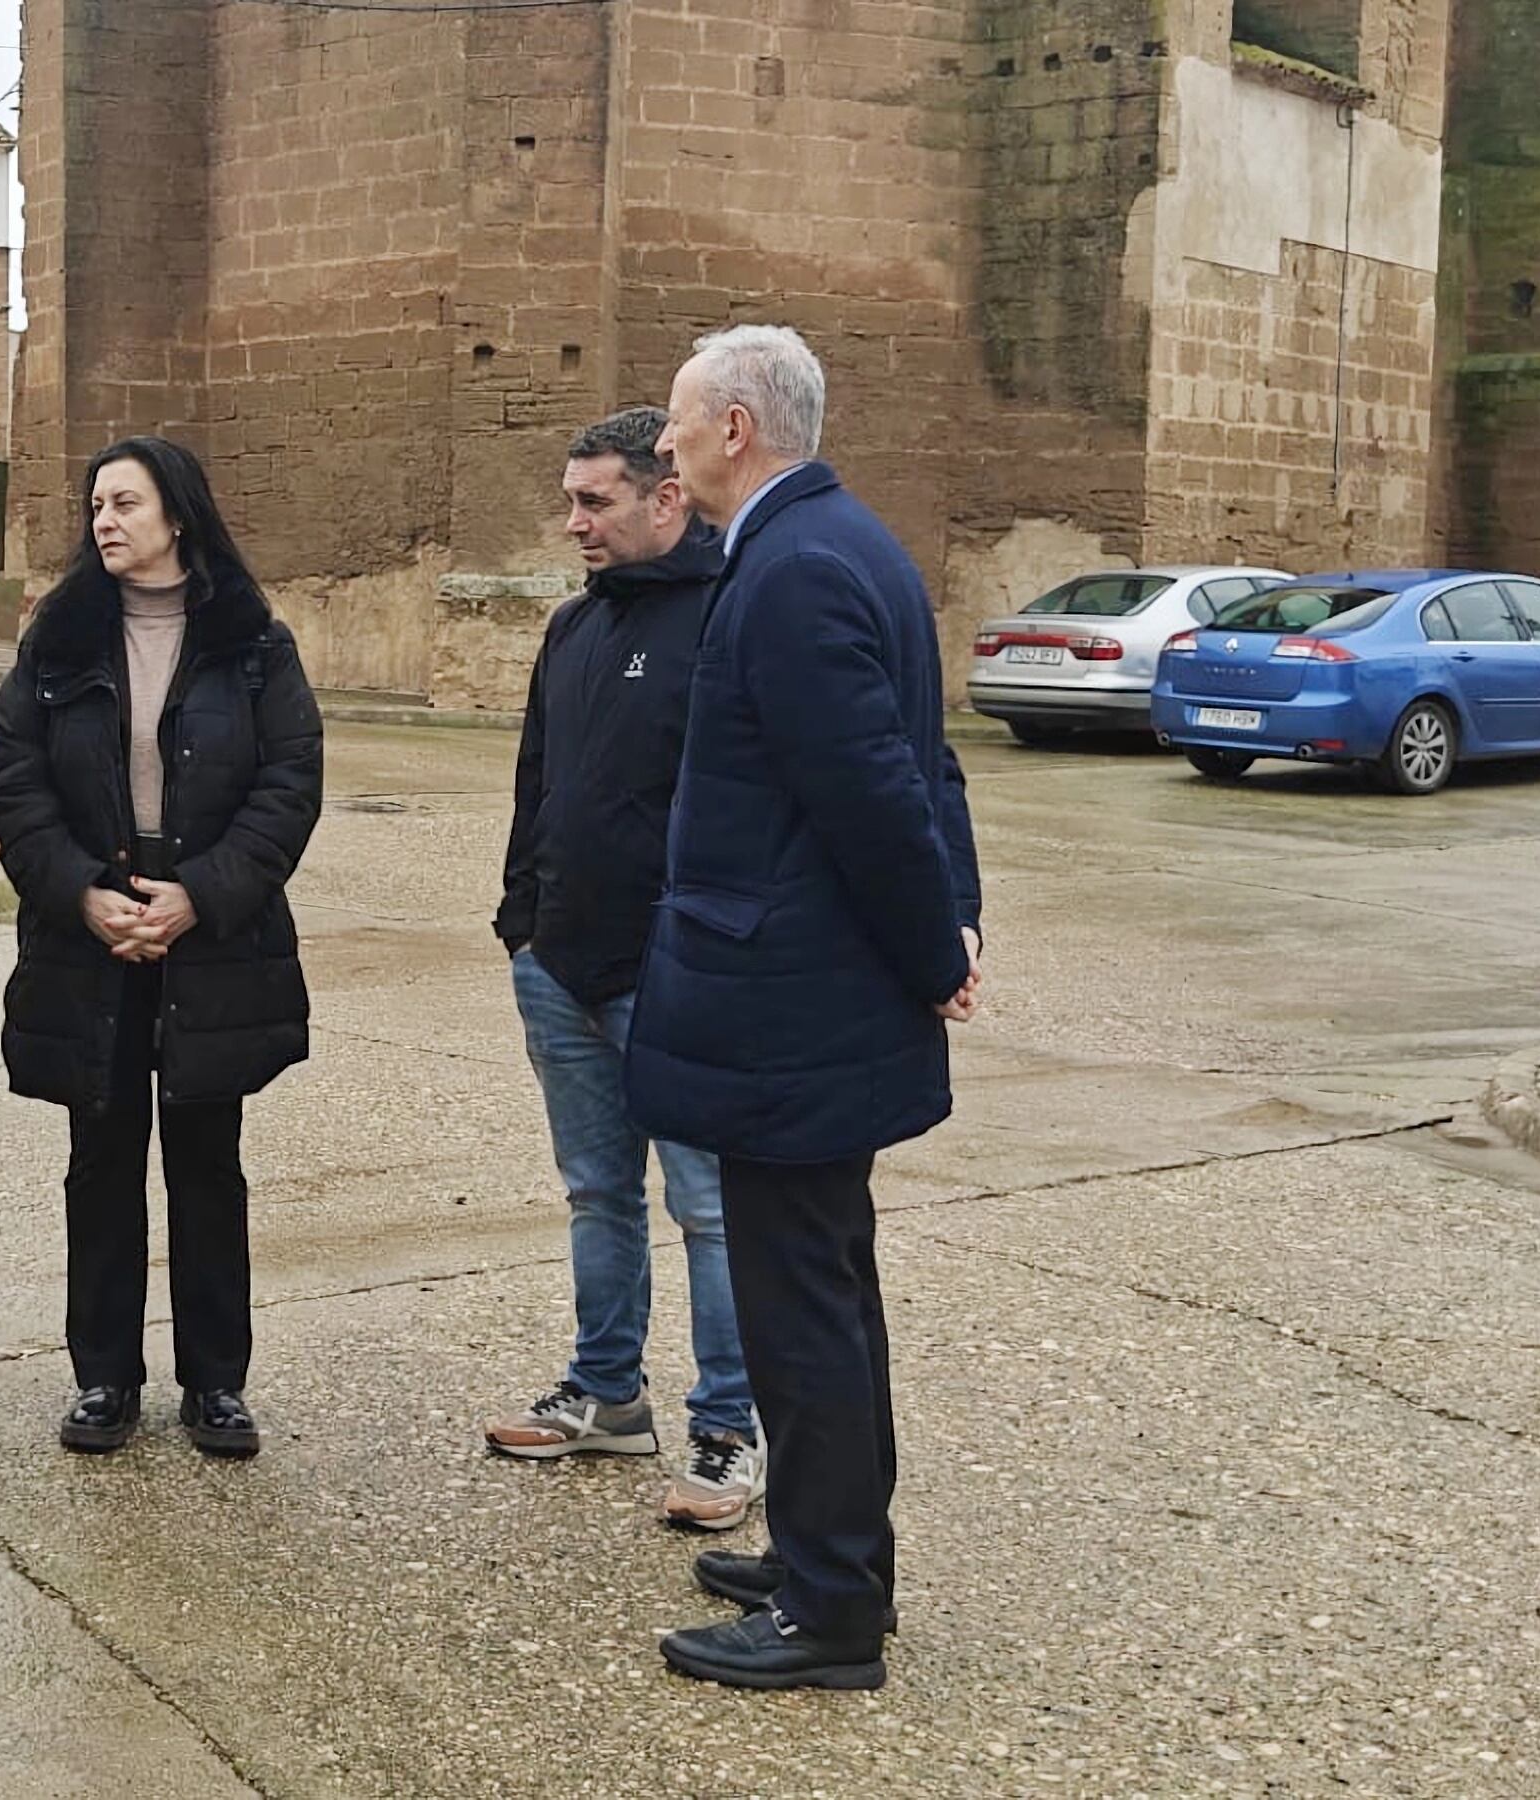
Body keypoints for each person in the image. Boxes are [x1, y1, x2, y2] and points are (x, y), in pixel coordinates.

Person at [628, 326, 984, 1693]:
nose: (661, 447)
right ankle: (824, 1554)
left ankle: (831, 1611)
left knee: (803, 1310)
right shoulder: (841, 547)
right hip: (814, 998)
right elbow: (921, 769)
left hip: (794, 1010)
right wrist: (945, 927)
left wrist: (933, 947)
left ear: (732, 427)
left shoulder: (795, 569)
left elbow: (883, 794)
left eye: (673, 423)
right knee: (822, 1293)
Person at [0, 436, 323, 1458]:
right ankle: (102, 1377)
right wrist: (82, 893)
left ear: (176, 513)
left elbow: (288, 782)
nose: (104, 520)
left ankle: (215, 1383)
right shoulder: (60, 637)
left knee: (206, 1160)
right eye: (94, 505)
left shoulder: (250, 640)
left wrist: (201, 894)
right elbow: (15, 778)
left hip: (207, 933)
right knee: (99, 1156)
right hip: (91, 933)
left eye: (124, 502)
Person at [481, 407, 762, 1532]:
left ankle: (730, 1425)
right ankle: (606, 1394)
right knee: (597, 1193)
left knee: (708, 1208)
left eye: (593, 500)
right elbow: (535, 784)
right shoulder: (571, 628)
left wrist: (707, 944)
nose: (572, 522)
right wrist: (520, 922)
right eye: (570, 498)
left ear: (666, 498)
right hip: (558, 966)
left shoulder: (728, 621)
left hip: (673, 976)